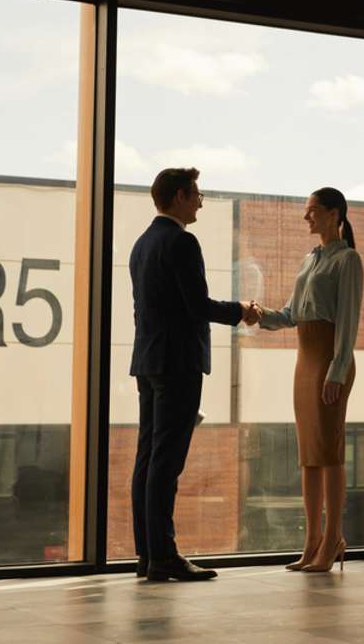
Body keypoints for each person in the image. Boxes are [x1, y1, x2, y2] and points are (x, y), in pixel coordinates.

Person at [129, 167, 260, 582]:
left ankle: (148, 554)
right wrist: (241, 311)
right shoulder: (182, 241)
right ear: (180, 197)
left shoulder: (142, 243)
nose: (200, 203)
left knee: (148, 458)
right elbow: (197, 306)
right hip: (178, 363)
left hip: (148, 361)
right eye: (197, 195)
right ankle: (164, 557)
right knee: (166, 462)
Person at [253, 187, 363, 573]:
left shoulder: (348, 260)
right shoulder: (308, 260)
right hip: (305, 362)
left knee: (329, 452)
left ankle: (333, 539)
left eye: (313, 210)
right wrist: (259, 314)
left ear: (334, 214)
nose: (307, 216)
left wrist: (337, 370)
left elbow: (348, 321)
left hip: (330, 361)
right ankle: (312, 541)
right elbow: (291, 314)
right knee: (310, 456)